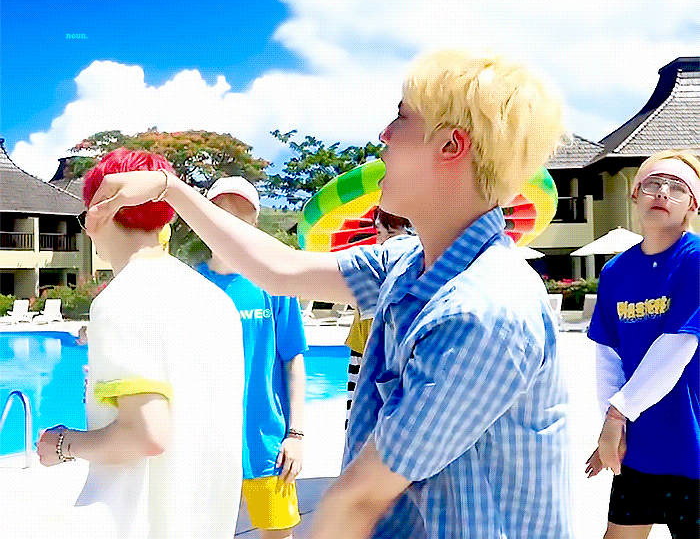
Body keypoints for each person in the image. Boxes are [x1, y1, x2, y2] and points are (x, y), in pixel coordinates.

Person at [85, 49, 571, 539]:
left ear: (450, 145)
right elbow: (281, 269)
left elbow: (357, 499)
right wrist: (169, 188)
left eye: (402, 117)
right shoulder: (408, 262)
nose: (384, 134)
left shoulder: (484, 311)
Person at [38, 148, 245, 539]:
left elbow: (146, 436)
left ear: (98, 212)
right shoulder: (216, 301)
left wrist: (62, 444)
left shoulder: (121, 300)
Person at [585, 149, 700, 539]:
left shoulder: (695, 260)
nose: (662, 192)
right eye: (653, 184)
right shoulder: (615, 271)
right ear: (634, 194)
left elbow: (675, 349)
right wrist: (611, 429)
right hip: (639, 449)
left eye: (677, 187)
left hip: (692, 446)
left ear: (692, 205)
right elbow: (607, 356)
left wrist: (617, 416)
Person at [195, 176, 308, 539]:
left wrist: (295, 434)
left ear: (254, 224)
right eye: (220, 215)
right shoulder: (191, 286)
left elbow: (293, 359)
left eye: (240, 217)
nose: (229, 226)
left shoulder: (274, 282)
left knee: (277, 533)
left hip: (266, 443)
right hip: (204, 443)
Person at [344, 207, 412, 429]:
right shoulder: (376, 267)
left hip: (380, 356)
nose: (383, 240)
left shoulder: (388, 266)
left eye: (390, 233)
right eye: (381, 233)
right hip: (368, 351)